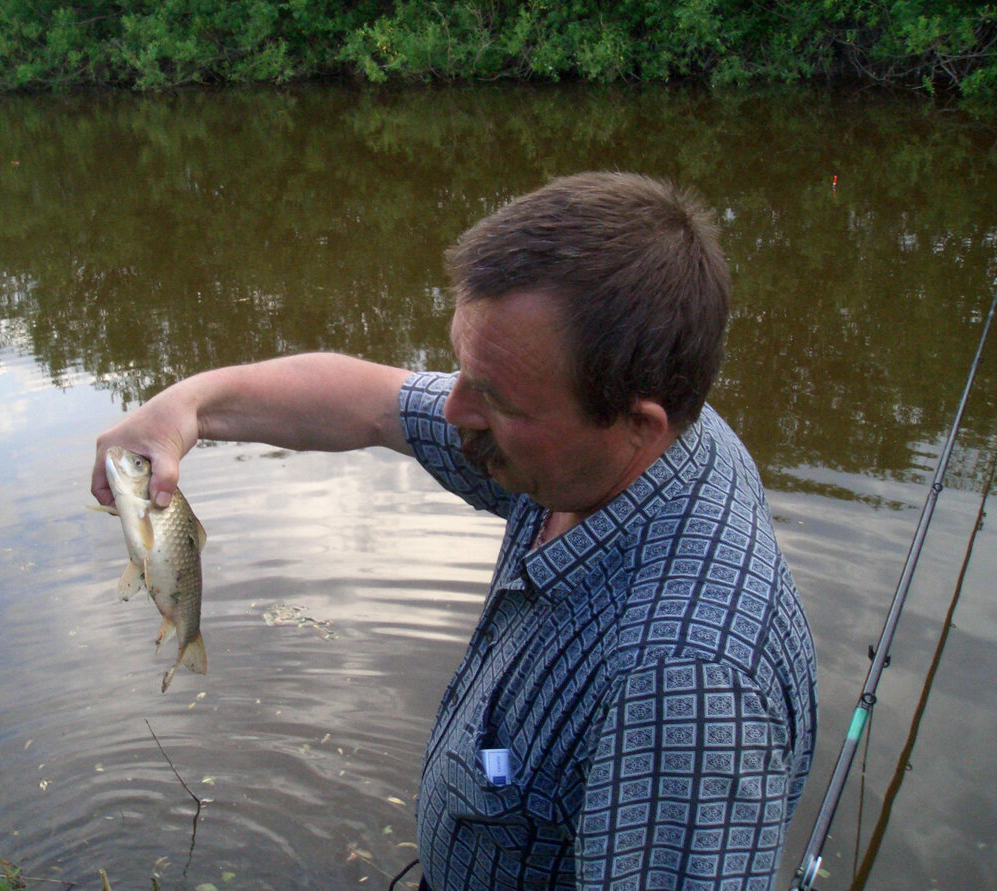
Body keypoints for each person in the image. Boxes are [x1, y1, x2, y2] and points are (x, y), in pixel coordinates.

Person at [91, 171, 817, 890]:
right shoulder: (591, 447)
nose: (453, 408)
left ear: (637, 423)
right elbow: (373, 404)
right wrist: (188, 407)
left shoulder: (682, 694)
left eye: (493, 396)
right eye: (463, 367)